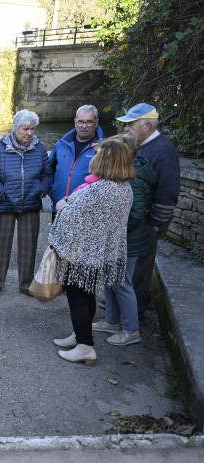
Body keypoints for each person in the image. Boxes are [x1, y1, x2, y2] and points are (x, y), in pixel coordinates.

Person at [50, 138, 136, 365]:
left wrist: (61, 207)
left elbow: (68, 220)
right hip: (102, 253)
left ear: (106, 161)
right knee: (87, 294)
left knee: (78, 297)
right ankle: (80, 336)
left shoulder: (97, 189)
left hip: (83, 253)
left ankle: (85, 346)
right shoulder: (124, 188)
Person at [86, 134, 157, 346]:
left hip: (128, 243)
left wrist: (110, 229)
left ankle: (131, 330)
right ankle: (112, 321)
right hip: (118, 240)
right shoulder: (124, 176)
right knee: (111, 281)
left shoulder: (133, 181)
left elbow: (135, 216)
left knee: (122, 284)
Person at [117, 103, 181, 315]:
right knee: (129, 269)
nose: (126, 129)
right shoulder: (141, 145)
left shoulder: (164, 150)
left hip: (145, 222)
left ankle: (134, 315)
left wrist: (155, 224)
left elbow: (168, 192)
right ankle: (123, 310)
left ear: (147, 125)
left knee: (140, 270)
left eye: (130, 124)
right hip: (133, 220)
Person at [0, 109, 52, 295]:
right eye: (25, 129)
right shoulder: (0, 149)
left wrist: (41, 189)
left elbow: (47, 174)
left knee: (28, 246)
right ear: (15, 128)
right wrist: (2, 193)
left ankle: (27, 283)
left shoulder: (39, 148)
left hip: (30, 203)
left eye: (32, 129)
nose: (29, 133)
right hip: (4, 204)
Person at [49, 105, 104, 220]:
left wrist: (104, 154)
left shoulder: (105, 148)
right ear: (75, 123)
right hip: (59, 206)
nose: (84, 126)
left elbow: (112, 177)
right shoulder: (61, 145)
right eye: (80, 122)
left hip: (87, 212)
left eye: (89, 122)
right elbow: (48, 170)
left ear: (96, 123)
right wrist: (51, 191)